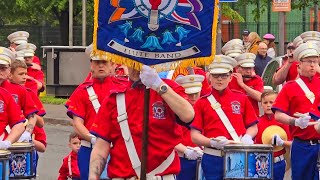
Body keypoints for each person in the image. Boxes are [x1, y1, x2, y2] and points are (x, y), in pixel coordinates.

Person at [89, 65, 195, 180]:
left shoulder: (168, 88)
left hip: (162, 176)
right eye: (133, 63)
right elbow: (101, 147)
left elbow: (188, 115)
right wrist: (93, 177)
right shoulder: (114, 98)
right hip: (123, 176)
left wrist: (158, 85)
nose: (137, 68)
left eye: (141, 64)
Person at [190, 55, 258, 180]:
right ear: (209, 77)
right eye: (215, 75)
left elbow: (253, 126)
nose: (219, 79)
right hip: (212, 157)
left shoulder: (241, 98)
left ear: (231, 77)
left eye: (224, 75)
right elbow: (194, 135)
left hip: (238, 156)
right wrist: (212, 142)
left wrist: (248, 137)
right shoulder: (202, 102)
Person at [66, 44, 119, 180]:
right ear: (91, 64)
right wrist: (94, 139)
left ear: (112, 63)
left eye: (104, 62)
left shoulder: (121, 88)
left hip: (118, 150)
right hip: (89, 149)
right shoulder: (82, 91)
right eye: (97, 62)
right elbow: (77, 124)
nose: (101, 66)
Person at [271, 42, 320, 180]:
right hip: (302, 144)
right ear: (299, 65)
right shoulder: (290, 87)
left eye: (315, 61)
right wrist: (295, 121)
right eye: (309, 61)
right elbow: (278, 115)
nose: (312, 65)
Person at [255, 91, 292, 180]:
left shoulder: (283, 122)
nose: (268, 105)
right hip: (259, 162)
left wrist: (282, 142)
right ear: (261, 104)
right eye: (265, 102)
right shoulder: (256, 122)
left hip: (278, 163)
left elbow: (292, 143)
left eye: (271, 102)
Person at [175, 74, 204, 180]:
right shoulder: (175, 112)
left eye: (196, 93)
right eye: (190, 94)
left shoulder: (206, 108)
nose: (193, 97)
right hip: (182, 159)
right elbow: (168, 138)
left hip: (204, 157)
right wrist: (186, 150)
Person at [0, 47, 26, 149]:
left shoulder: (6, 95)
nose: (0, 71)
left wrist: (7, 142)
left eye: (3, 68)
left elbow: (19, 124)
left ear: (9, 70)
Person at [9, 60, 45, 127]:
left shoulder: (29, 92)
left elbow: (41, 123)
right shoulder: (3, 90)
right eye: (21, 74)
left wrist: (28, 113)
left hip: (23, 131)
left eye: (25, 74)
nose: (24, 77)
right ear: (10, 75)